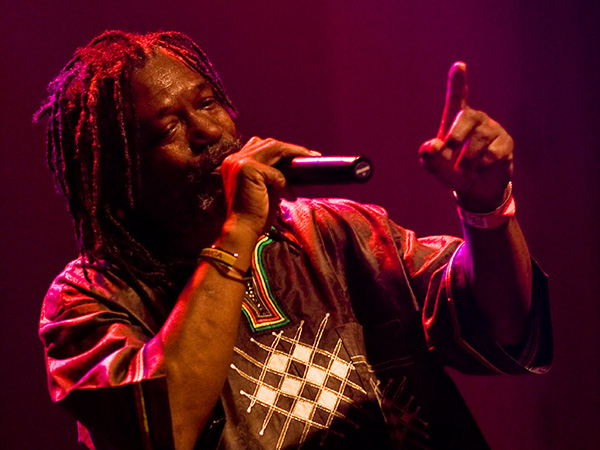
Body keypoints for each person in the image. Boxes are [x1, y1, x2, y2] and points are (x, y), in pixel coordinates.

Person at [36, 30, 552, 450]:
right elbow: (159, 432)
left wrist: (486, 208)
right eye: (168, 128)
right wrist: (238, 231)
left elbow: (506, 329)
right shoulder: (88, 300)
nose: (206, 132)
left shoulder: (338, 231)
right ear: (120, 173)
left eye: (208, 103)